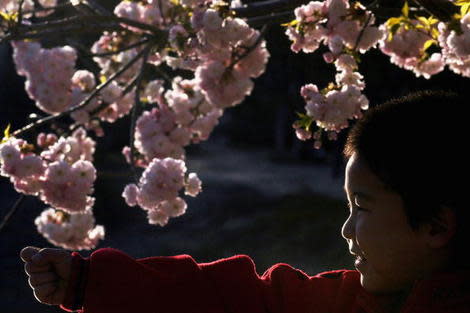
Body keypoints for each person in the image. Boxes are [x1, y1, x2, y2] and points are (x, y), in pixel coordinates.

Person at [20, 90, 469, 313]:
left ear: (436, 226)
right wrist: (92, 281)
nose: (346, 230)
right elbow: (233, 295)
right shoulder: (348, 300)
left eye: (363, 207)